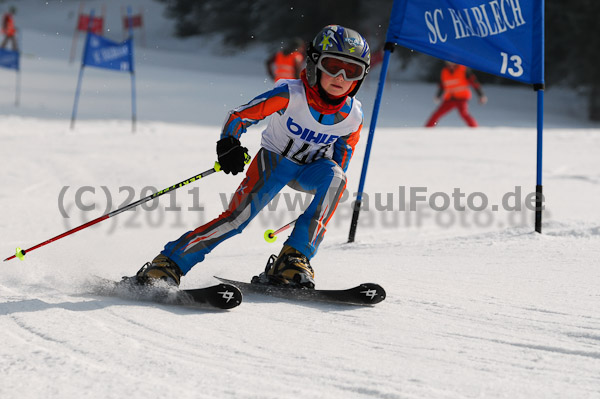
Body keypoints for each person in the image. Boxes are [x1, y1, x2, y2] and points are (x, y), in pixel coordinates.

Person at [131, 25, 371, 289]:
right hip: (275, 161)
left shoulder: (353, 115)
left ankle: (293, 259)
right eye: (333, 65)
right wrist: (229, 143)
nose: (340, 77)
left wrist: (325, 194)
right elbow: (240, 116)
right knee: (237, 220)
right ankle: (169, 263)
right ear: (314, 63)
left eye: (351, 71)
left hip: (311, 170)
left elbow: (343, 153)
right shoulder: (291, 95)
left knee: (337, 177)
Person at [425, 61, 487, 127]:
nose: (451, 65)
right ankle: (427, 129)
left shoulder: (463, 69)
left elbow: (474, 83)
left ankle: (475, 129)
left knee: (464, 114)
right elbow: (442, 85)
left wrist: (481, 95)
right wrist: (438, 95)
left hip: (462, 98)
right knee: (437, 113)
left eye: (452, 63)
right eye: (448, 63)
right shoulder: (444, 71)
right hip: (449, 99)